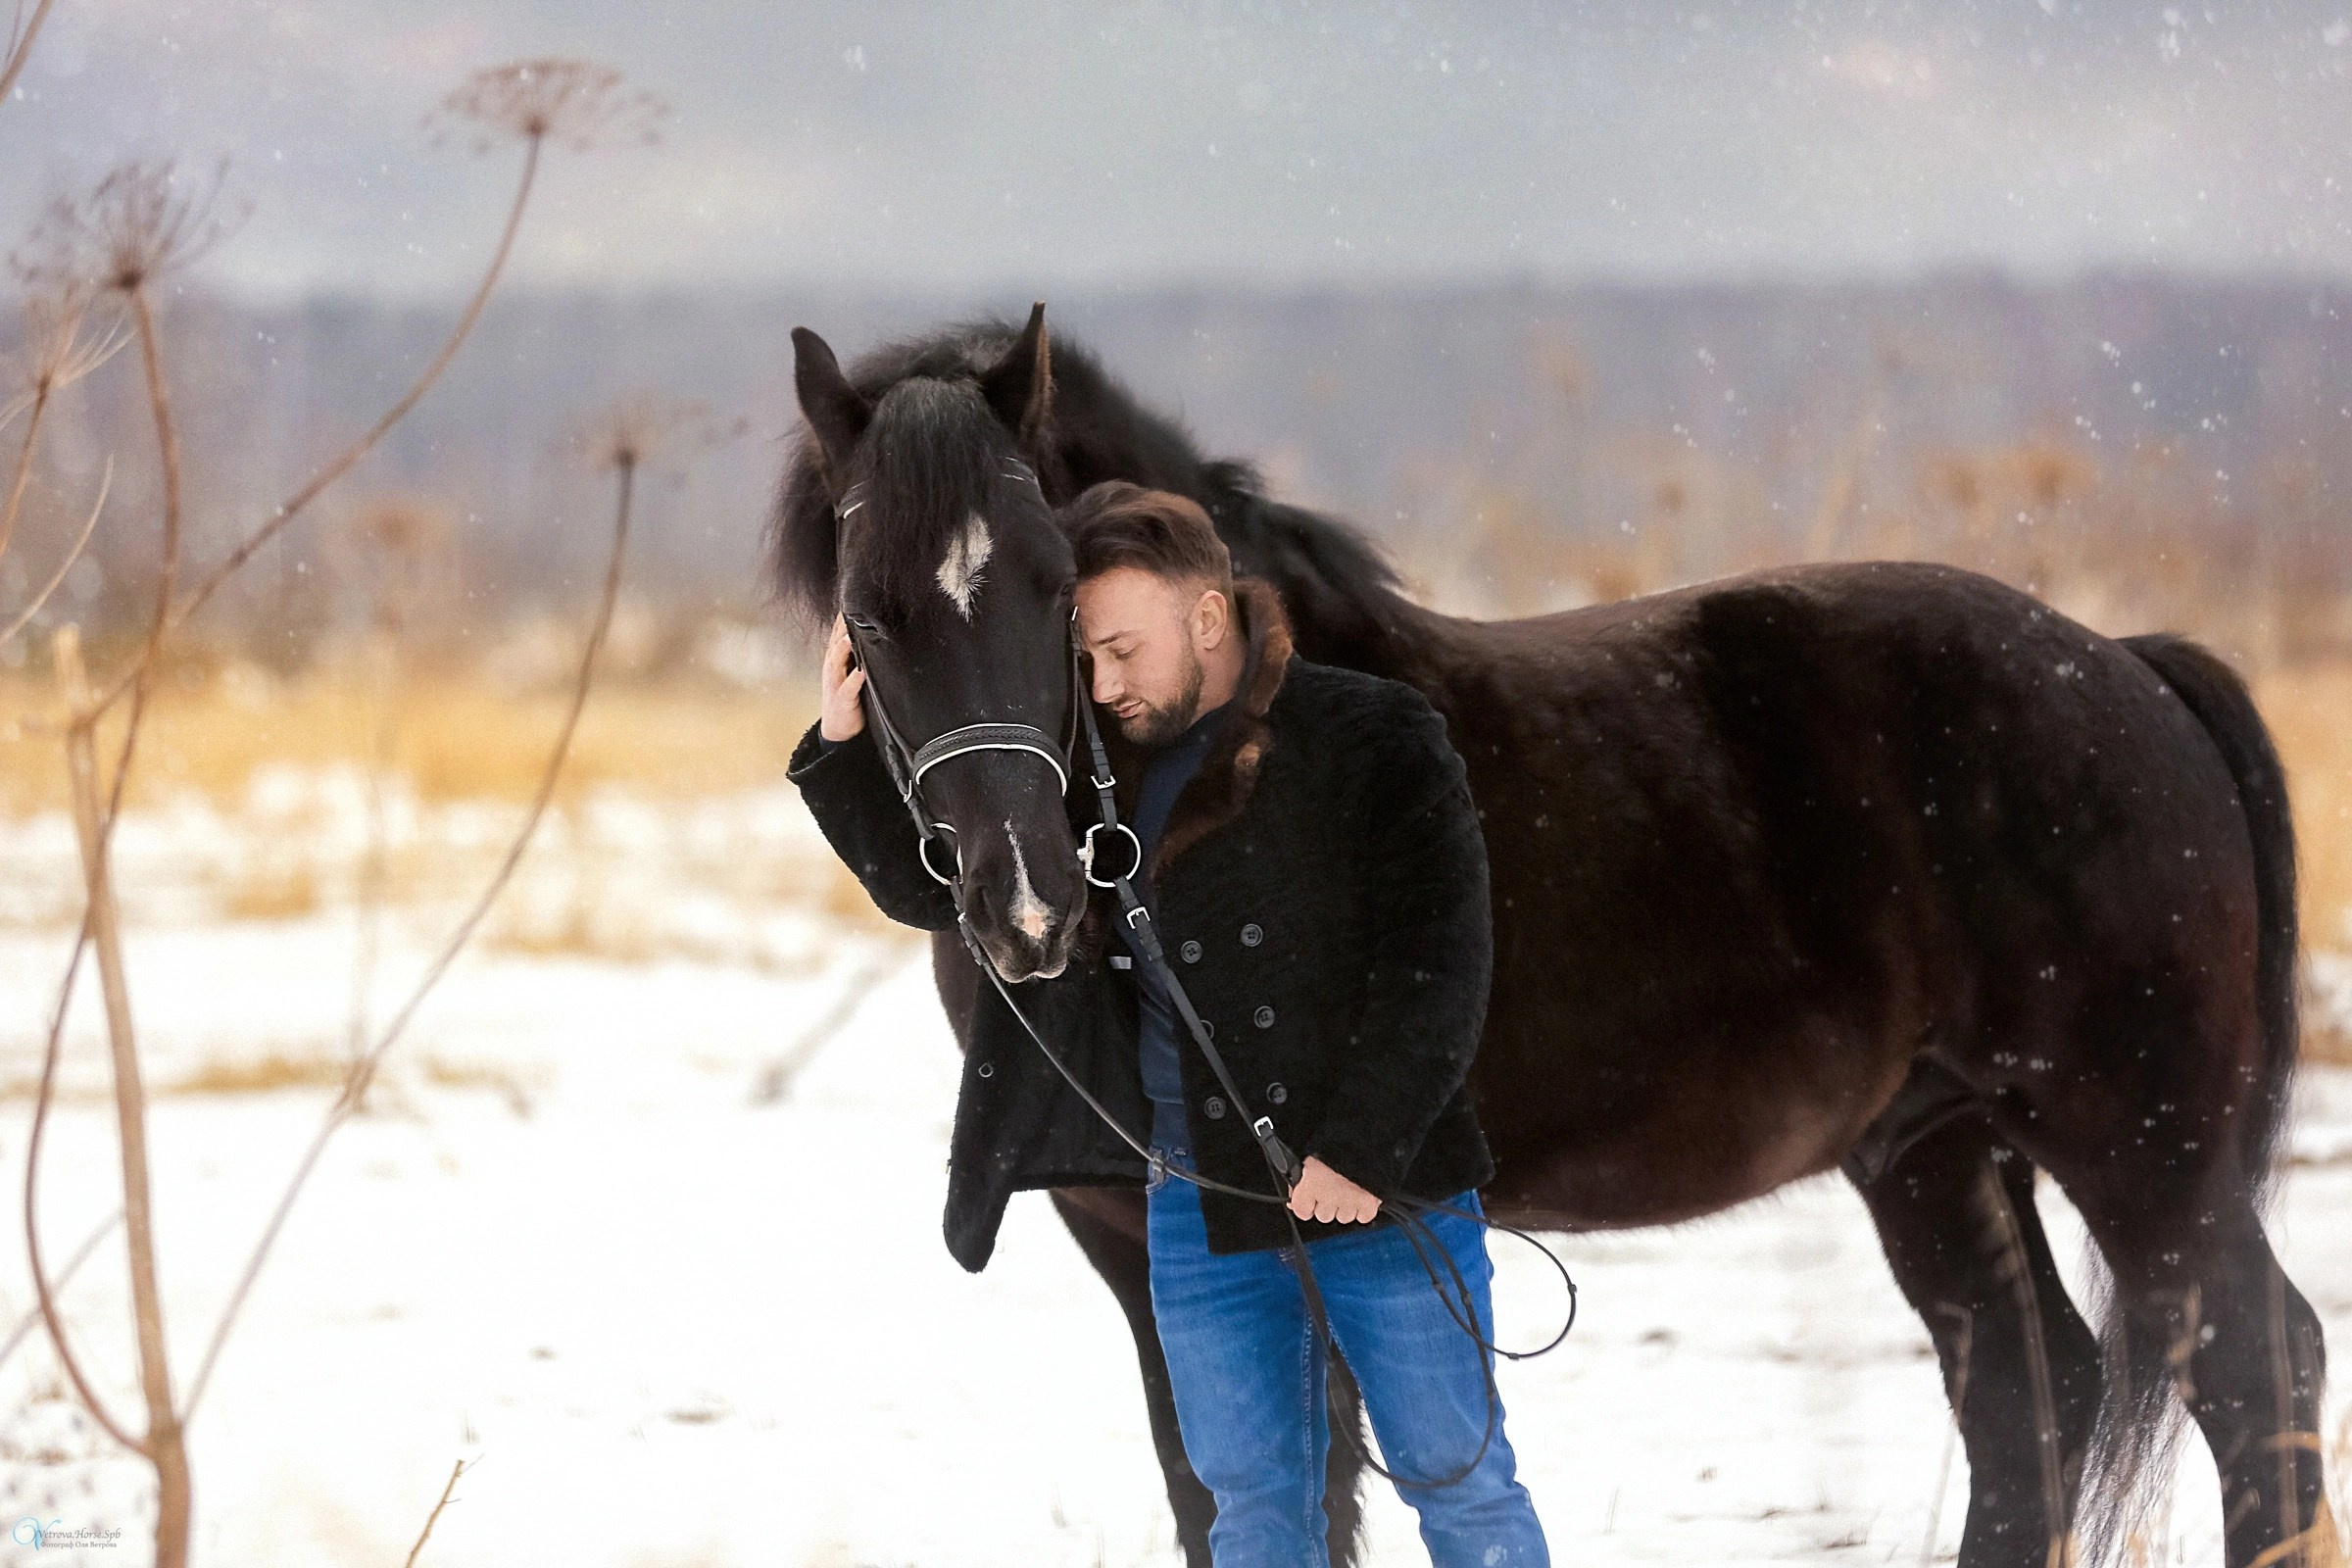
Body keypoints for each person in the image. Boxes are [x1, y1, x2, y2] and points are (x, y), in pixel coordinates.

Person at [790, 480, 1548, 1567]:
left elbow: (1441, 964)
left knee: (1461, 1488)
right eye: (1084, 660)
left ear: (1207, 616)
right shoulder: (1098, 768)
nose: (1105, 684)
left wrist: (1359, 1150)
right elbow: (939, 892)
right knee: (1252, 1511)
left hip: (1388, 1195)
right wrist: (842, 742)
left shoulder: (1372, 734)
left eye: (1122, 650)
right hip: (1199, 1207)